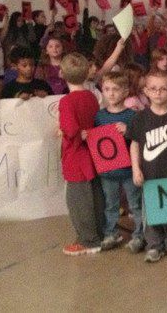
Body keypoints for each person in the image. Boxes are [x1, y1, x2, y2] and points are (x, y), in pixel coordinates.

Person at [127, 70, 167, 263]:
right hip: (149, 174)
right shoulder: (139, 118)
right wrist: (135, 169)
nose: (158, 93)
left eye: (163, 89)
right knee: (151, 212)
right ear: (145, 90)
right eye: (153, 89)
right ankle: (154, 245)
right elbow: (135, 144)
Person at [58, 52, 104, 256]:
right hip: (93, 154)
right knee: (95, 196)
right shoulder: (91, 97)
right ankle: (98, 233)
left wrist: (66, 131)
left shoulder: (67, 102)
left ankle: (87, 240)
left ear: (62, 74)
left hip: (75, 156)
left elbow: (71, 129)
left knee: (78, 201)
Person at [94, 71, 143, 253]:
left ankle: (140, 235)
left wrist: (128, 130)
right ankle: (111, 233)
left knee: (135, 204)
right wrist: (86, 135)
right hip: (108, 170)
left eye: (116, 89)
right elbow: (96, 142)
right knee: (111, 204)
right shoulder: (99, 117)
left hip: (129, 169)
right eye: (107, 89)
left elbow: (141, 138)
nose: (111, 93)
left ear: (125, 92)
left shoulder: (132, 116)